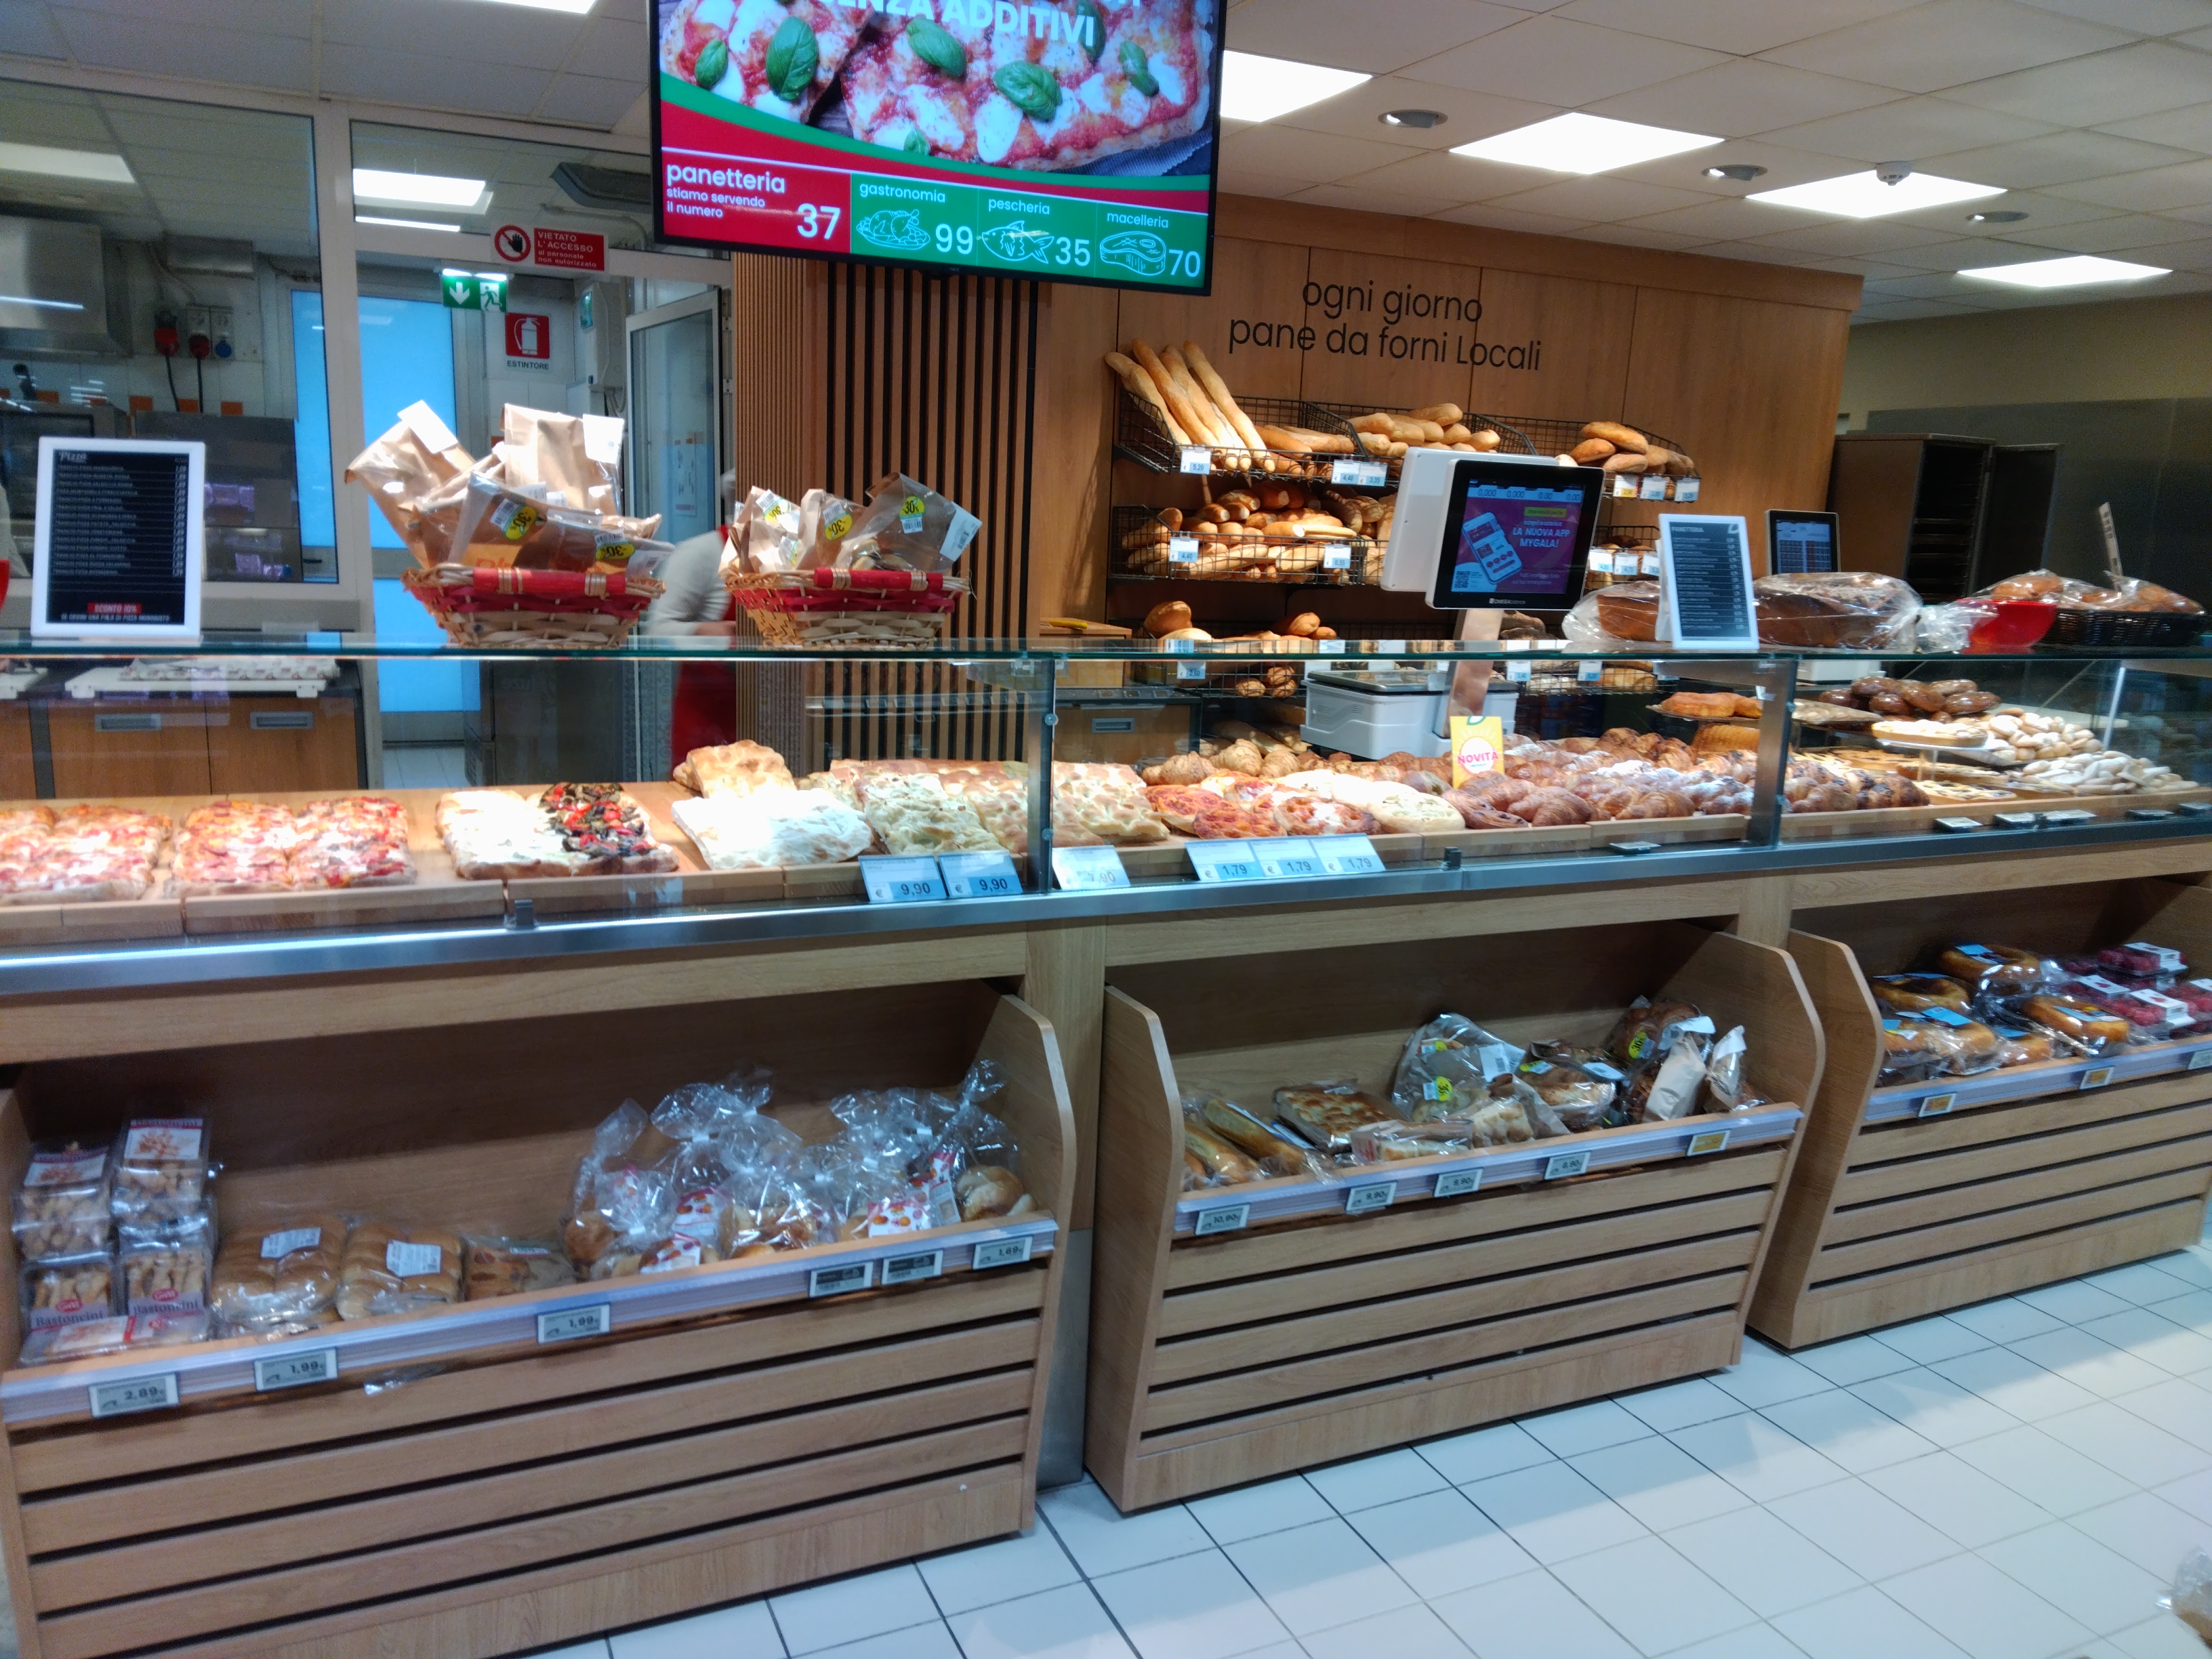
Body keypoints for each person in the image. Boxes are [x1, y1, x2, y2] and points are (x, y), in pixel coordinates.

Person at [644, 470, 739, 770]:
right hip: (705, 730)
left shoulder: (786, 563)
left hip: (763, 723)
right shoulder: (703, 552)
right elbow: (655, 632)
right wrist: (707, 632)